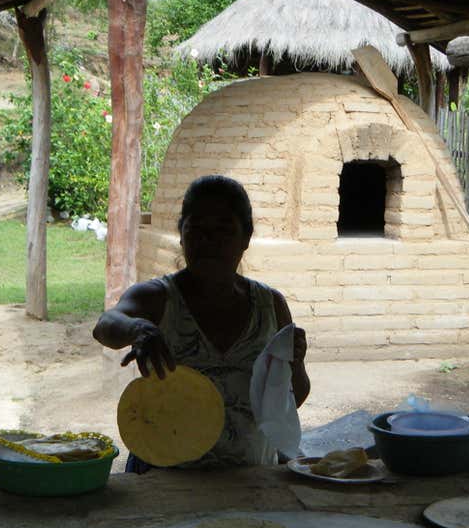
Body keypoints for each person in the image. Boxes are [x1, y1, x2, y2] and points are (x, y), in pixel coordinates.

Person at [93, 175, 310, 469]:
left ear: (245, 237)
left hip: (247, 479)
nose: (208, 241)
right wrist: (138, 328)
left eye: (223, 229)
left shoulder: (270, 306)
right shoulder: (158, 299)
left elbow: (289, 401)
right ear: (181, 234)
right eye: (196, 228)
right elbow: (106, 325)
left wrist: (294, 362)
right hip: (165, 480)